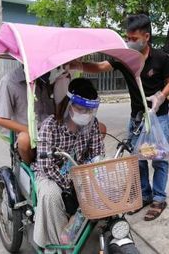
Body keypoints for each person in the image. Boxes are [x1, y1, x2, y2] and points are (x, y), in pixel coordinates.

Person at [71, 14, 169, 221]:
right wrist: (79, 65)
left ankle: (159, 198)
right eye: (127, 37)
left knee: (159, 159)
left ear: (146, 36)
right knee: (138, 159)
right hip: (136, 118)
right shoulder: (125, 58)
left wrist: (161, 96)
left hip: (158, 118)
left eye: (134, 38)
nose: (129, 42)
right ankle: (144, 195)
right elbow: (101, 67)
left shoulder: (161, 58)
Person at [33, 78, 105, 247]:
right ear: (70, 105)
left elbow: (97, 153)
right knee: (50, 196)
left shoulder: (92, 124)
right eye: (82, 109)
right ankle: (56, 245)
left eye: (90, 110)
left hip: (78, 171)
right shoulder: (50, 125)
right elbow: (46, 166)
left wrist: (95, 174)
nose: (86, 114)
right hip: (52, 175)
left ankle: (77, 228)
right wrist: (70, 183)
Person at [0, 64, 55, 163]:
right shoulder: (9, 81)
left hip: (51, 134)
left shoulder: (44, 78)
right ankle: (31, 165)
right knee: (24, 139)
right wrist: (31, 132)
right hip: (31, 139)